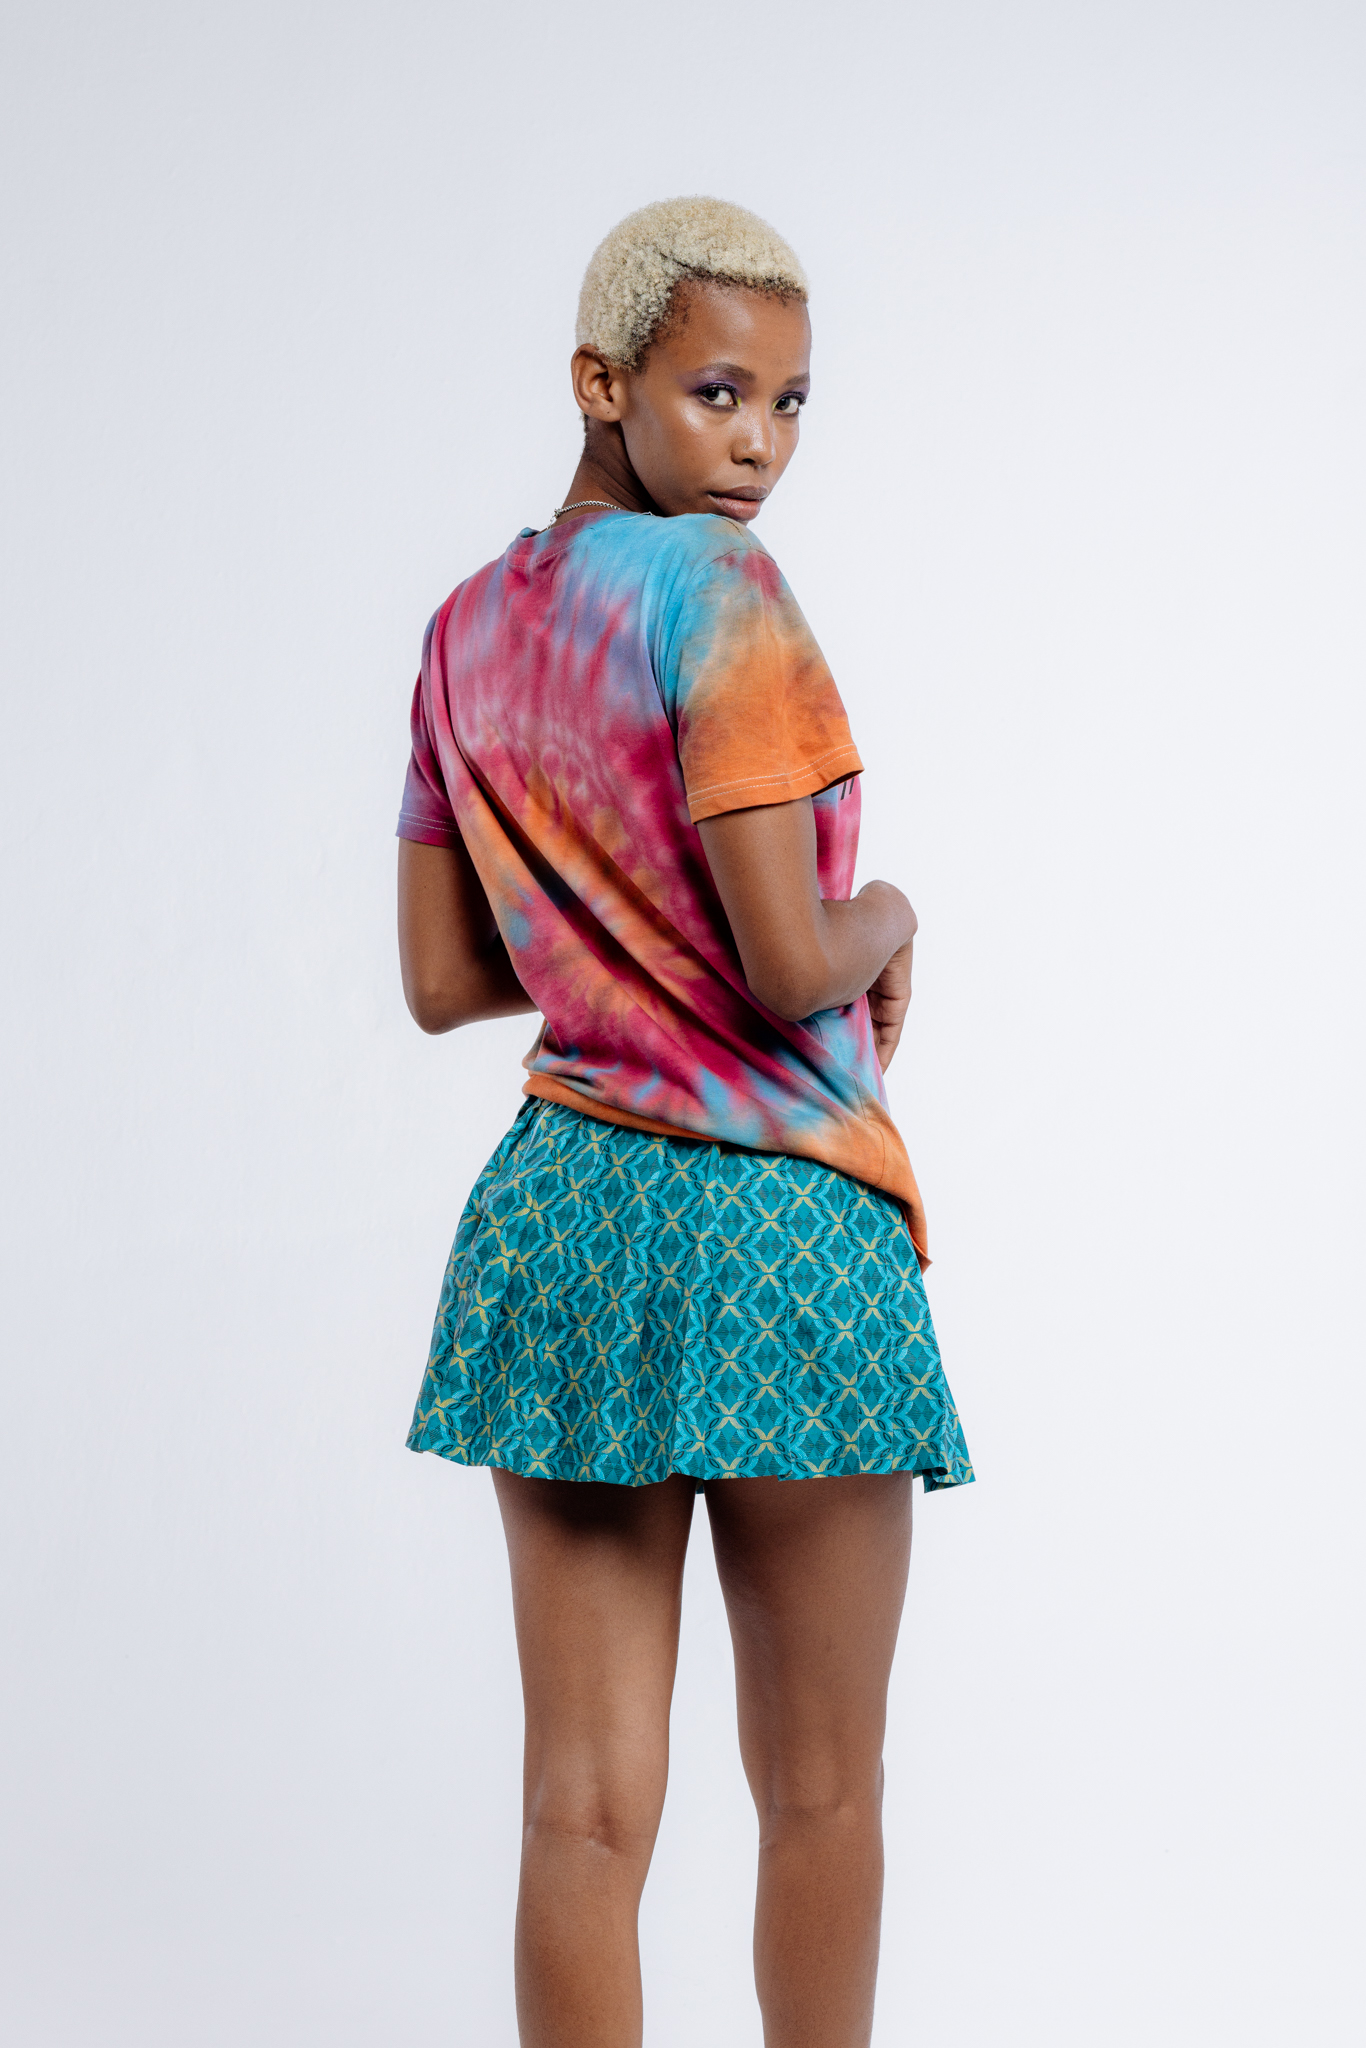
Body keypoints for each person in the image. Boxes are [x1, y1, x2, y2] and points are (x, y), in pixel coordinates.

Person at [395, 195, 973, 2048]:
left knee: (577, 1809)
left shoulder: (464, 630)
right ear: (601, 381)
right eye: (718, 392)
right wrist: (893, 917)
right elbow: (795, 960)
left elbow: (442, 977)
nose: (757, 446)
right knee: (819, 1790)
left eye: (791, 404)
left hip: (565, 1215)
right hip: (780, 1224)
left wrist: (611, 952)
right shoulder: (723, 592)